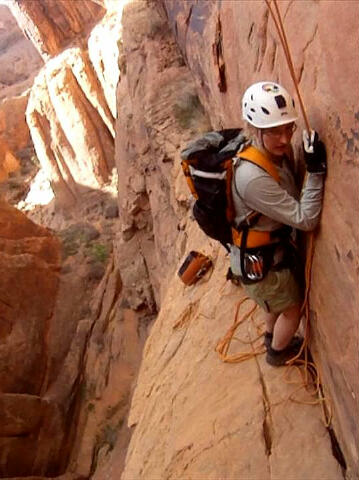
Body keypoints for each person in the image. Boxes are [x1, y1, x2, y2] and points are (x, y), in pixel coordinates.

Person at [230, 81, 327, 366]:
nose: (285, 139)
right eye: (274, 131)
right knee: (291, 309)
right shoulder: (252, 178)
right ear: (256, 130)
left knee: (275, 302)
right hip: (263, 266)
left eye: (288, 129)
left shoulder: (263, 154)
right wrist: (316, 171)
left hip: (261, 259)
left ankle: (270, 335)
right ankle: (278, 353)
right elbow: (305, 219)